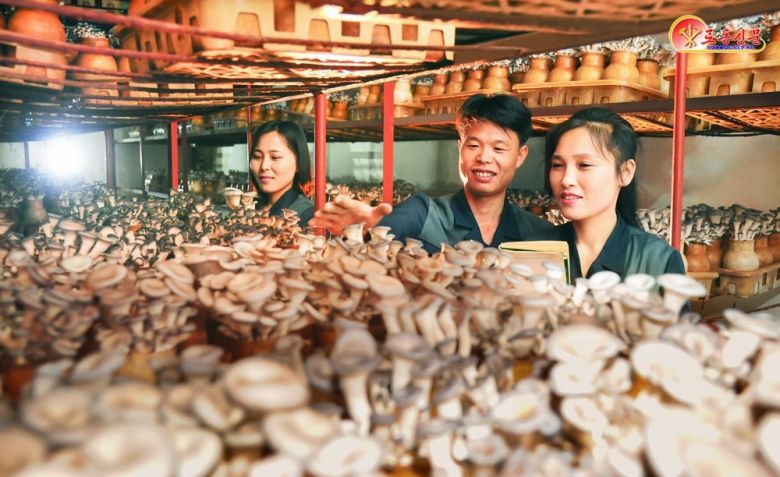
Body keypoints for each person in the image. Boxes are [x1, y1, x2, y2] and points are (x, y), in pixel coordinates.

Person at [309, 94, 552, 253]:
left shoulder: (537, 232)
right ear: (460, 148)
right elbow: (373, 245)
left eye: (498, 148)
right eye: (473, 145)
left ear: (520, 156)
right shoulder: (423, 213)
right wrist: (365, 232)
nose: (484, 158)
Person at [527, 107, 685, 280]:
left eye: (584, 165)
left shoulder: (659, 261)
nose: (566, 179)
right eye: (557, 165)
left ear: (625, 173)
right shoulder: (530, 251)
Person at [249, 120, 314, 226]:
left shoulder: (309, 216)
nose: (264, 166)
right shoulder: (252, 208)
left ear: (298, 163)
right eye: (257, 157)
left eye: (275, 157)